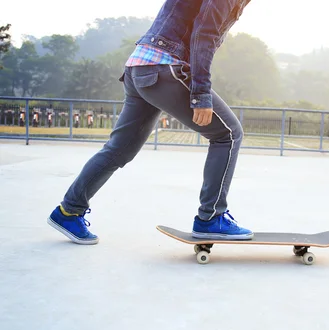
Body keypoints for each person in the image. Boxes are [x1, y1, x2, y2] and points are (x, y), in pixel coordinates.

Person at [47, 0, 254, 245]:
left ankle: (68, 211)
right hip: (165, 66)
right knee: (228, 134)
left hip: (140, 66)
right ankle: (211, 218)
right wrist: (201, 93)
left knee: (118, 150)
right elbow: (204, 34)